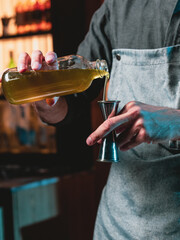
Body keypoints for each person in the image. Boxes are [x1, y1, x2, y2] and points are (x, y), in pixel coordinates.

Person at [2, 0, 180, 239]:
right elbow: (68, 105)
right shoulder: (117, 7)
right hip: (118, 224)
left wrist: (176, 122)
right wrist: (47, 95)